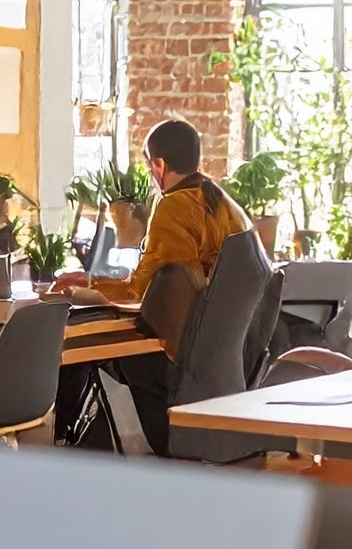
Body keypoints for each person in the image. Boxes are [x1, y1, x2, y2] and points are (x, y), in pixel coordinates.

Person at [49, 118, 249, 456]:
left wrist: (86, 285)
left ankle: (62, 449)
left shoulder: (174, 206)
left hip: (175, 356)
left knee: (74, 354)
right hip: (220, 361)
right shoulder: (227, 205)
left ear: (159, 165)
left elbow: (149, 290)